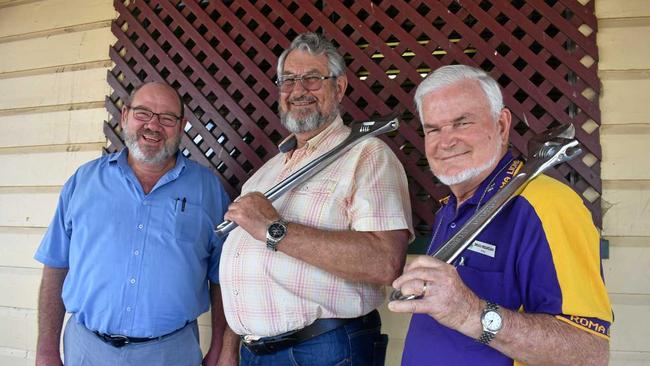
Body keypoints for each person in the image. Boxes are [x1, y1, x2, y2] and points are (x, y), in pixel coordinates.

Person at [388, 64, 613, 365]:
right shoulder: (449, 210)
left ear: (502, 125)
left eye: (462, 123)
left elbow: (588, 352)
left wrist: (469, 313)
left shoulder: (547, 205)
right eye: (434, 129)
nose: (446, 140)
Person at [219, 32, 414, 365]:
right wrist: (228, 348)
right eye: (288, 80)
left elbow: (385, 262)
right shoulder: (266, 172)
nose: (298, 90)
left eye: (312, 79)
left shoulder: (366, 155)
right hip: (253, 353)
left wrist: (273, 229)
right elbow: (244, 265)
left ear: (338, 88)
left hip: (322, 349)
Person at [34, 81, 238, 366]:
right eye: (143, 113)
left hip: (171, 354)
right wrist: (45, 351)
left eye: (167, 118)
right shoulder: (83, 182)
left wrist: (220, 347)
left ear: (181, 126)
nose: (153, 126)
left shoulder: (208, 191)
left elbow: (223, 277)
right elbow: (55, 265)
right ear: (125, 115)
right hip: (86, 350)